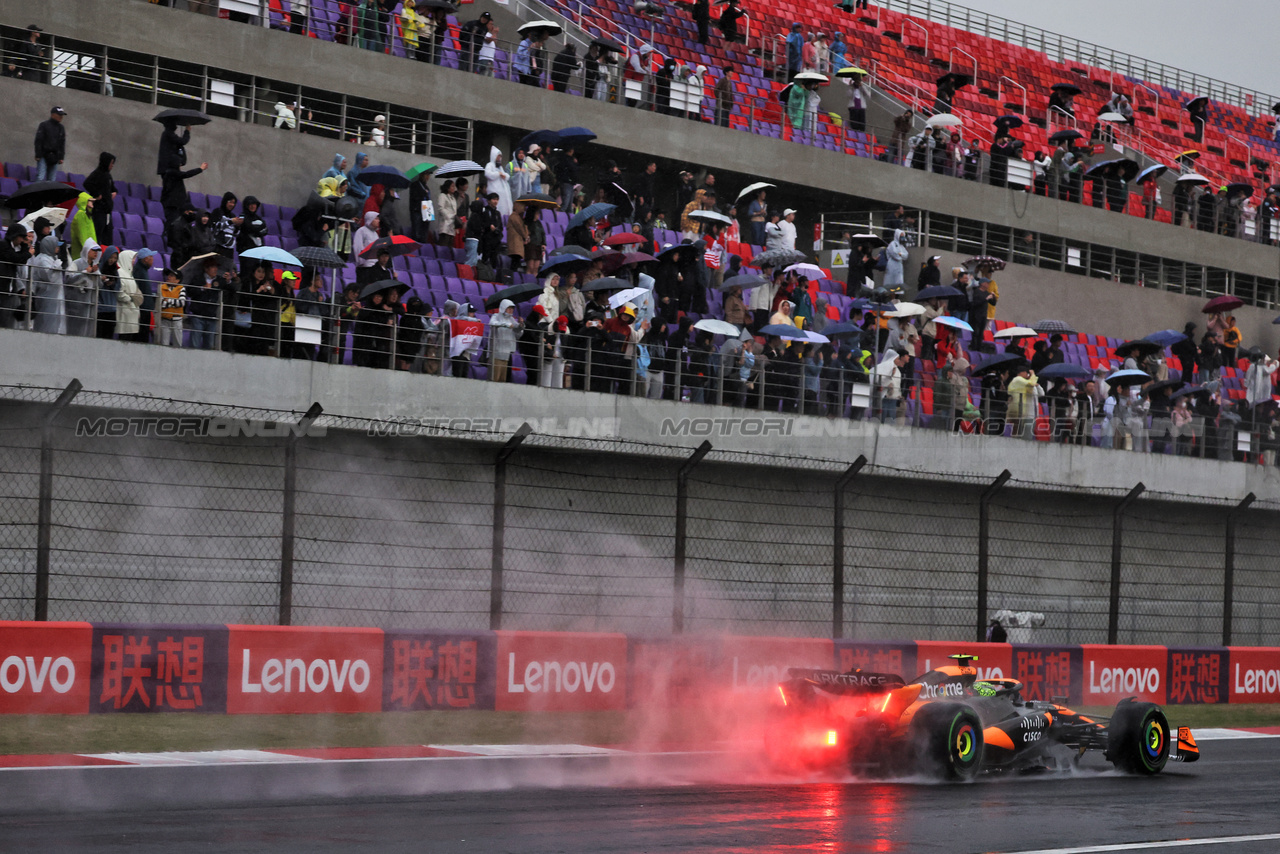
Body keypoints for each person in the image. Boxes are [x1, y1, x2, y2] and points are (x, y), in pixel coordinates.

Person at [82, 152, 118, 247]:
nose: (112, 165)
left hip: (107, 212)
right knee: (97, 235)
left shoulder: (108, 175)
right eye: (111, 163)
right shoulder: (97, 173)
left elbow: (113, 188)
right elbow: (87, 183)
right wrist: (97, 194)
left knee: (108, 237)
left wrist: (114, 192)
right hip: (99, 210)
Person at [489, 299, 524, 382]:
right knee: (495, 377)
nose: (511, 310)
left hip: (507, 353)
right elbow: (492, 323)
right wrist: (506, 325)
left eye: (512, 308)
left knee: (503, 379)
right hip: (497, 352)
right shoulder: (496, 316)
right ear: (503, 308)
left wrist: (521, 325)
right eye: (509, 308)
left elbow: (518, 334)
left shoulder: (512, 319)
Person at [33, 105, 67, 182]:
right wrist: (38, 154)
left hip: (55, 156)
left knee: (51, 180)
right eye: (59, 115)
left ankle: (49, 194)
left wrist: (61, 157)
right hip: (43, 155)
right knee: (40, 177)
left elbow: (62, 143)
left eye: (62, 115)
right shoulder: (44, 125)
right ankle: (37, 193)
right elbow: (38, 140)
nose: (61, 117)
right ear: (53, 115)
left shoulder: (61, 128)